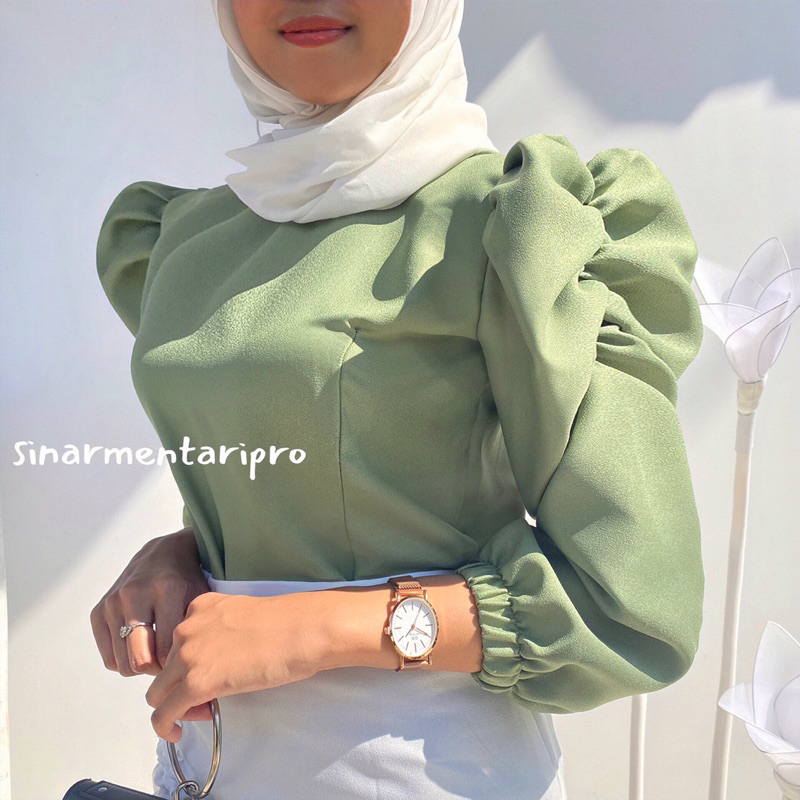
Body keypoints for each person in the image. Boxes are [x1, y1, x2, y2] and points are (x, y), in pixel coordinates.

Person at [90, 1, 705, 798]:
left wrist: (311, 626)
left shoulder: (515, 225)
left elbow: (628, 605)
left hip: (422, 769)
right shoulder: (185, 239)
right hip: (207, 764)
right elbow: (319, 479)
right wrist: (184, 556)